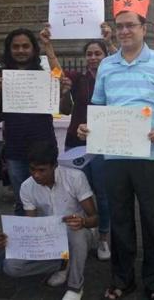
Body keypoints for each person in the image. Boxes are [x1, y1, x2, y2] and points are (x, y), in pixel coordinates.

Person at [77, 0, 154, 300]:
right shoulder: (107, 66)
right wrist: (87, 127)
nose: (124, 31)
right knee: (120, 219)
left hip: (148, 153)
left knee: (152, 218)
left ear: (143, 27)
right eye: (120, 25)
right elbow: (97, 108)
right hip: (113, 154)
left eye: (130, 25)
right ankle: (123, 280)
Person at [0, 141, 99, 300]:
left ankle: (75, 287)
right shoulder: (26, 187)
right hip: (49, 239)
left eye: (42, 170)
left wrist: (83, 222)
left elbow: (95, 219)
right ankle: (64, 264)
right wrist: (13, 239)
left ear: (55, 166)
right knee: (11, 267)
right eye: (32, 169)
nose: (36, 175)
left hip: (79, 232)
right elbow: (30, 226)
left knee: (76, 234)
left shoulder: (75, 178)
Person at [47, 22, 115, 261]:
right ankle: (80, 235)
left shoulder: (115, 77)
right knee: (75, 194)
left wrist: (109, 40)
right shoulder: (79, 79)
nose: (93, 57)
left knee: (103, 195)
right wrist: (48, 47)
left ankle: (104, 238)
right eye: (89, 54)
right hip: (76, 143)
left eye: (98, 53)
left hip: (104, 144)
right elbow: (58, 72)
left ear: (106, 55)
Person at [0, 28, 60, 215]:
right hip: (15, 148)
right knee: (22, 199)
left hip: (44, 146)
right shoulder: (1, 77)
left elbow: (60, 79)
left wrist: (48, 46)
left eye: (25, 46)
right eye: (15, 46)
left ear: (33, 49)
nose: (21, 50)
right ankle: (26, 241)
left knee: (50, 199)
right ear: (9, 50)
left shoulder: (44, 74)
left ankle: (51, 241)